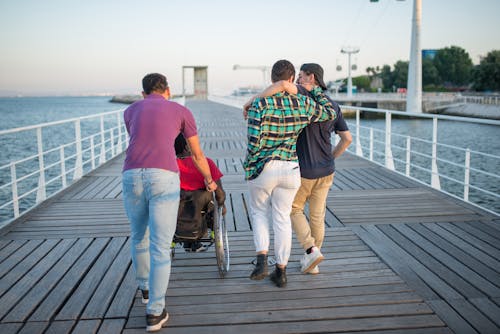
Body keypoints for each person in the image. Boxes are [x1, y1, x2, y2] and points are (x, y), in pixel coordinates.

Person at [122, 73, 217, 332]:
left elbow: (139, 139)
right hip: (164, 176)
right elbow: (196, 153)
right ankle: (155, 311)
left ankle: (144, 289)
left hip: (131, 175)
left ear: (143, 93)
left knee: (138, 236)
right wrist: (208, 179)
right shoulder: (180, 110)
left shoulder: (130, 111)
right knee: (161, 246)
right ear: (168, 90)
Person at [245, 64, 352, 275]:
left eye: (301, 77)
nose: (297, 82)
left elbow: (283, 85)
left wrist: (252, 100)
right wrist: (330, 157)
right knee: (317, 216)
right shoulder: (323, 104)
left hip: (302, 168)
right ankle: (308, 262)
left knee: (290, 210)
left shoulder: (299, 96)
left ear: (310, 77)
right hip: (324, 170)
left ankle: (308, 251)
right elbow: (346, 138)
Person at [174, 133, 226, 253]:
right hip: (201, 207)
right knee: (210, 204)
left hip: (178, 209)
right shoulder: (206, 163)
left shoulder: (170, 166)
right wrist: (222, 205)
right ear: (189, 146)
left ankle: (188, 240)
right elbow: (220, 194)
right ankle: (204, 233)